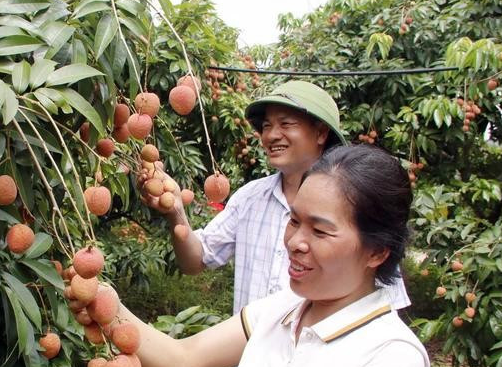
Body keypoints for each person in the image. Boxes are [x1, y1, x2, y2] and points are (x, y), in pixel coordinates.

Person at [107, 144, 430, 367]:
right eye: (294, 220)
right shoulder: (284, 307)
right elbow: (181, 358)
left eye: (320, 232)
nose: (295, 242)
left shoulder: (392, 354)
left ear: (377, 252)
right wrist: (104, 301)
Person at [142, 80, 410, 314]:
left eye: (286, 124)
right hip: (252, 364)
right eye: (267, 126)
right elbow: (196, 260)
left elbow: (384, 309)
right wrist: (175, 210)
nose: (271, 135)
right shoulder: (250, 198)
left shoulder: (357, 205)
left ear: (320, 132)